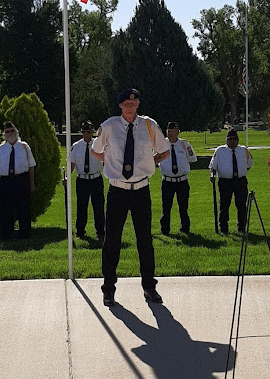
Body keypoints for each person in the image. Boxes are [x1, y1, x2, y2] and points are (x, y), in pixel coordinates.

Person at [91, 88, 170, 307]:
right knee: (112, 241)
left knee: (145, 241)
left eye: (133, 104)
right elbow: (95, 150)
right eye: (126, 104)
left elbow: (164, 152)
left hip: (141, 190)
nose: (130, 107)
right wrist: (110, 162)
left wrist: (149, 163)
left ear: (138, 105)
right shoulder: (109, 126)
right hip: (117, 190)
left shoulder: (149, 125)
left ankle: (149, 287)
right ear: (120, 105)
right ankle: (108, 289)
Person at [0, 121, 36, 240]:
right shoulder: (1, 148)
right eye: (7, 131)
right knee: (6, 209)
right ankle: (6, 234)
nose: (10, 133)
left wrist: (32, 183)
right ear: (4, 134)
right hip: (6, 182)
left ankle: (24, 234)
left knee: (23, 208)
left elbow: (31, 166)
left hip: (21, 180)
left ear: (16, 132)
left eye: (12, 131)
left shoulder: (24, 147)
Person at [209, 128, 253, 234]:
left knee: (241, 205)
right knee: (224, 205)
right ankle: (223, 228)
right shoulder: (220, 150)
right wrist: (212, 175)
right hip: (225, 182)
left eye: (234, 139)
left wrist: (240, 172)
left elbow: (249, 164)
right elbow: (213, 166)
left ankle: (242, 227)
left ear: (238, 140)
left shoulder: (244, 150)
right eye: (229, 139)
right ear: (226, 140)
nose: (232, 141)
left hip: (240, 181)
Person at [159, 121, 197, 235]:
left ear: (178, 132)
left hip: (182, 181)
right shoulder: (161, 144)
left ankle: (185, 228)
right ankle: (165, 230)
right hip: (167, 181)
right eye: (168, 131)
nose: (170, 133)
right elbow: (154, 159)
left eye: (172, 131)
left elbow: (192, 159)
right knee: (166, 207)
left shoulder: (184, 144)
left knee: (183, 207)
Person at [70, 120, 105, 239]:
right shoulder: (76, 146)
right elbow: (72, 164)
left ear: (92, 132)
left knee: (98, 206)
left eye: (88, 132)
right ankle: (80, 231)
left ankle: (100, 231)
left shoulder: (98, 145)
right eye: (84, 132)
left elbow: (105, 160)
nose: (86, 134)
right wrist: (67, 177)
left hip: (96, 179)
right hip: (82, 180)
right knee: (81, 206)